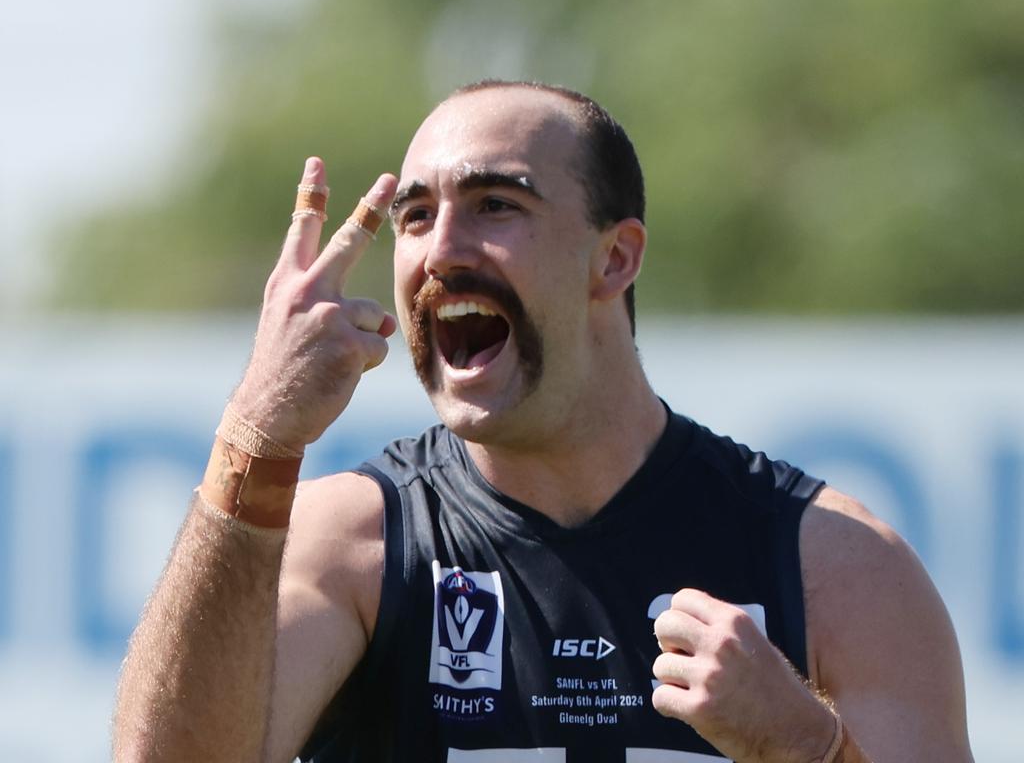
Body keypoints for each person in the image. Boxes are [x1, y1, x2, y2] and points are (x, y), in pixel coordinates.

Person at [113, 81, 974, 763]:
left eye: (496, 205)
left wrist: (806, 752)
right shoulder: (351, 548)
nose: (441, 250)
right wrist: (256, 434)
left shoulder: (836, 568)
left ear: (615, 258)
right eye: (416, 216)